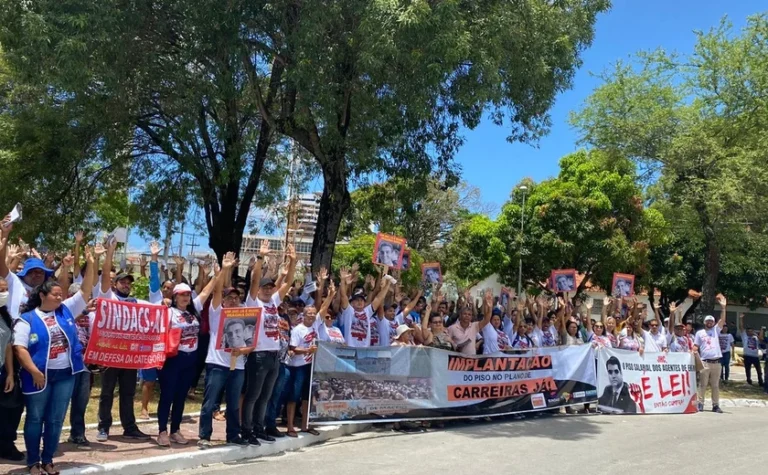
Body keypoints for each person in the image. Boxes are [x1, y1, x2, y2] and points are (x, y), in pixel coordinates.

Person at [13, 249, 95, 475]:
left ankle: (48, 460)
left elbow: (86, 290)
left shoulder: (66, 311)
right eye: (56, 294)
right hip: (38, 376)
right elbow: (20, 349)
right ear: (42, 295)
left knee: (56, 419)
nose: (60, 298)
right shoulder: (26, 319)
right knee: (35, 418)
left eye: (62, 295)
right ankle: (33, 462)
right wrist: (34, 372)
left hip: (65, 376)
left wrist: (90, 262)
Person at [242, 241, 297, 445]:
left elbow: (289, 281)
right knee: (253, 395)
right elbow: (255, 280)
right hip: (258, 354)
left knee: (266, 396)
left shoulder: (274, 302)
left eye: (270, 287)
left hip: (274, 355)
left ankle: (259, 427)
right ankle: (247, 430)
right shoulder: (253, 301)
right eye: (265, 288)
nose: (267, 290)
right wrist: (261, 257)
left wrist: (293, 261)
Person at [96, 240, 151, 442]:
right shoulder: (108, 297)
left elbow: (154, 307)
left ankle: (129, 426)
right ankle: (103, 427)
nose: (126, 286)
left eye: (129, 283)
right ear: (114, 284)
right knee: (107, 393)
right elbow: (103, 279)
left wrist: (164, 304)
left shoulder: (137, 303)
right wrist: (109, 253)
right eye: (122, 283)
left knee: (128, 393)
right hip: (111, 354)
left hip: (130, 356)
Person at [156, 274, 217, 447]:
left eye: (187, 294)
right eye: (182, 294)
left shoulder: (193, 310)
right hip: (173, 359)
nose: (185, 297)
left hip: (190, 359)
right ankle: (162, 431)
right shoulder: (169, 312)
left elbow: (206, 291)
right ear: (175, 297)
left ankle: (175, 429)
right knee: (167, 395)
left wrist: (220, 273)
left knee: (181, 396)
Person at [198, 253, 250, 449]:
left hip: (238, 365)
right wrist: (225, 269)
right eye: (230, 297)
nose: (234, 300)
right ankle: (205, 435)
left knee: (234, 403)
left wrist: (244, 351)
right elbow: (217, 291)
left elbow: (250, 341)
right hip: (217, 364)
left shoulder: (245, 314)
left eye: (237, 297)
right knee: (210, 402)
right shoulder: (216, 311)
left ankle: (233, 434)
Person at [0, 275, 24, 462]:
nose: (4, 293)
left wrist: (10, 373)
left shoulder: (5, 315)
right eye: (0, 290)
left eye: (5, 290)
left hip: (3, 371)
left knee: (11, 409)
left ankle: (7, 444)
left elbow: (8, 345)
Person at [338, 266, 391, 348]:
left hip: (364, 351)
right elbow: (343, 296)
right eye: (357, 300)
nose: (360, 302)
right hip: (350, 349)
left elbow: (379, 298)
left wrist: (388, 284)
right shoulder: (349, 311)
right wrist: (342, 280)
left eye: (362, 300)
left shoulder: (367, 311)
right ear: (352, 303)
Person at [694, 295, 727, 413]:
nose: (709, 322)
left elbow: (722, 321)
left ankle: (715, 405)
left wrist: (723, 308)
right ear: (704, 322)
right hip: (705, 362)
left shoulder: (715, 330)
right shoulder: (699, 333)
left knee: (715, 385)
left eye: (711, 321)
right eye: (708, 321)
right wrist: (692, 352)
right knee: (702, 385)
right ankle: (700, 404)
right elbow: (695, 346)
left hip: (717, 362)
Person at [447, 290, 492, 355]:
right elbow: (446, 339)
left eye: (469, 314)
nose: (467, 316)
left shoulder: (474, 326)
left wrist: (490, 308)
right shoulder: (452, 328)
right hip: (457, 362)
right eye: (465, 314)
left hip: (471, 361)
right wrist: (453, 344)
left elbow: (486, 320)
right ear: (460, 315)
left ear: (471, 317)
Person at [738, 313, 763, 387]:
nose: (750, 332)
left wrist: (761, 330)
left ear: (753, 331)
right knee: (747, 370)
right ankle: (749, 381)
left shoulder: (756, 337)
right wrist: (741, 318)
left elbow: (761, 339)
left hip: (755, 356)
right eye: (748, 331)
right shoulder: (744, 336)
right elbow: (741, 327)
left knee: (759, 370)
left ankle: (760, 382)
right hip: (747, 355)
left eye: (751, 331)